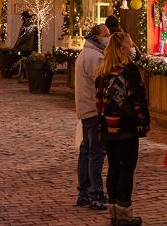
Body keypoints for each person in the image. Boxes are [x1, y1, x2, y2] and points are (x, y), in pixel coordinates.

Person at [95, 31, 149, 226]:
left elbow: (99, 102)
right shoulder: (130, 71)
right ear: (122, 49)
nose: (132, 47)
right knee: (127, 169)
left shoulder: (103, 72)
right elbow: (138, 100)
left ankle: (114, 214)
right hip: (126, 128)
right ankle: (125, 216)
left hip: (108, 129)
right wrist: (143, 123)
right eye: (130, 44)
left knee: (113, 169)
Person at [74, 23, 110, 210]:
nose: (108, 38)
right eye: (105, 35)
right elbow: (102, 82)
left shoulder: (86, 54)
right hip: (94, 110)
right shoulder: (95, 57)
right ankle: (95, 194)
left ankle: (83, 193)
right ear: (96, 37)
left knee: (86, 151)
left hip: (85, 108)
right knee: (95, 152)